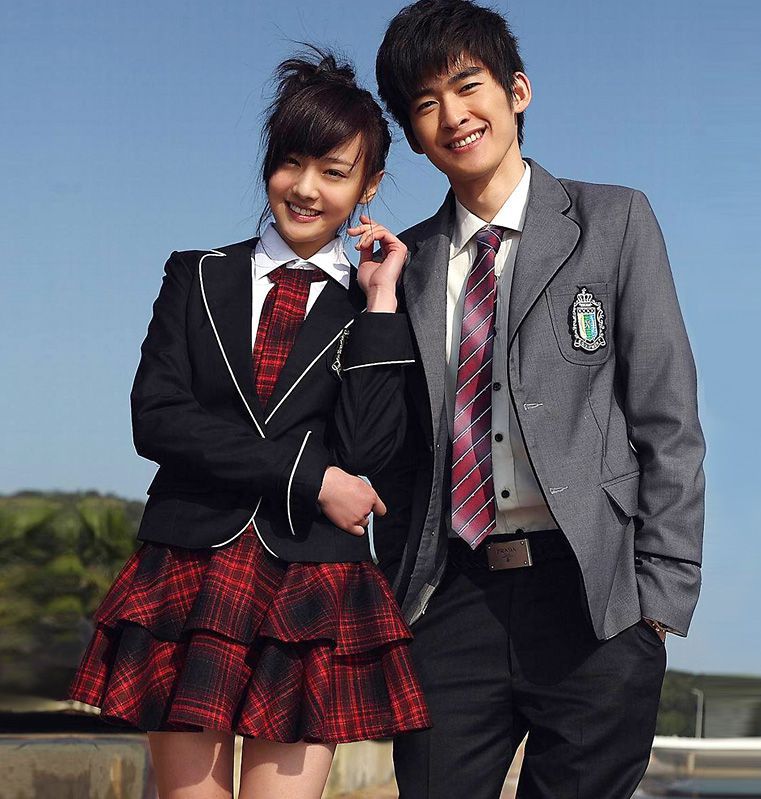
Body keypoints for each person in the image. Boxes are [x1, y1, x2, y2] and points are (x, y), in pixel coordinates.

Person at [67, 50, 430, 799]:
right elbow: (157, 419)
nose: (306, 188)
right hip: (189, 565)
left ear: (369, 186)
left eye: (333, 171)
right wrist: (311, 477)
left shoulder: (377, 306)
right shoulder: (196, 274)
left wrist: (382, 306)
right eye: (290, 162)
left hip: (311, 580)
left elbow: (368, 451)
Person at [372, 2, 706, 797]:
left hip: (593, 595)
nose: (453, 115)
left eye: (468, 86)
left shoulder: (614, 220)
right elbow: (388, 449)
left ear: (516, 91)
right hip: (451, 596)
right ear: (413, 134)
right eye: (426, 103)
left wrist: (657, 602)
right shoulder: (403, 265)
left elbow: (668, 422)